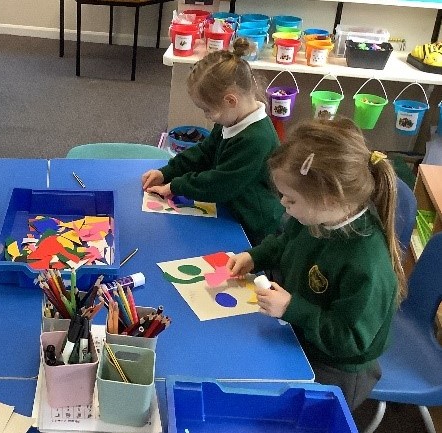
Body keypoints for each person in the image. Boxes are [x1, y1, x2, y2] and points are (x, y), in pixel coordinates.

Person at [227, 118, 407, 411]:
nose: (283, 203)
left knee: (281, 412)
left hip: (338, 367)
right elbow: (286, 241)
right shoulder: (317, 218)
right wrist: (255, 256)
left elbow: (350, 340)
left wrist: (291, 308)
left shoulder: (366, 263)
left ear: (327, 199)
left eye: (290, 198)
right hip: (303, 334)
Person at [141, 38, 284, 245]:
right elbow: (204, 152)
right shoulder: (233, 119)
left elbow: (221, 182)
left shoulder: (256, 139)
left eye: (208, 110)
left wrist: (175, 186)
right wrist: (166, 172)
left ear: (231, 100)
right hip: (230, 208)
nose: (208, 116)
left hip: (253, 224)